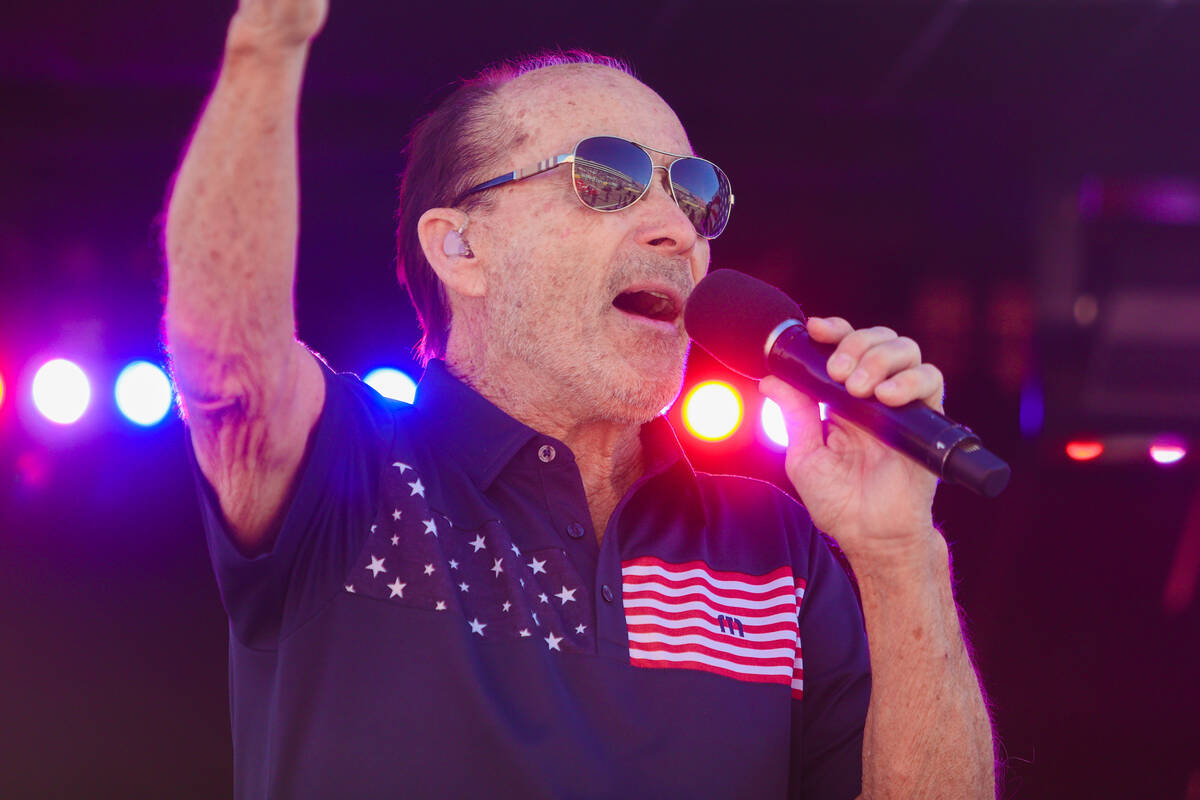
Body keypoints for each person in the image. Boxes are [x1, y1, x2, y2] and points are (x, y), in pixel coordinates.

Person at [163, 1, 995, 797]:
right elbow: (226, 357)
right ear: (462, 247)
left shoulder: (777, 545)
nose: (678, 228)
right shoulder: (348, 466)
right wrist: (268, 47)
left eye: (695, 193)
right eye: (609, 176)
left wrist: (898, 554)